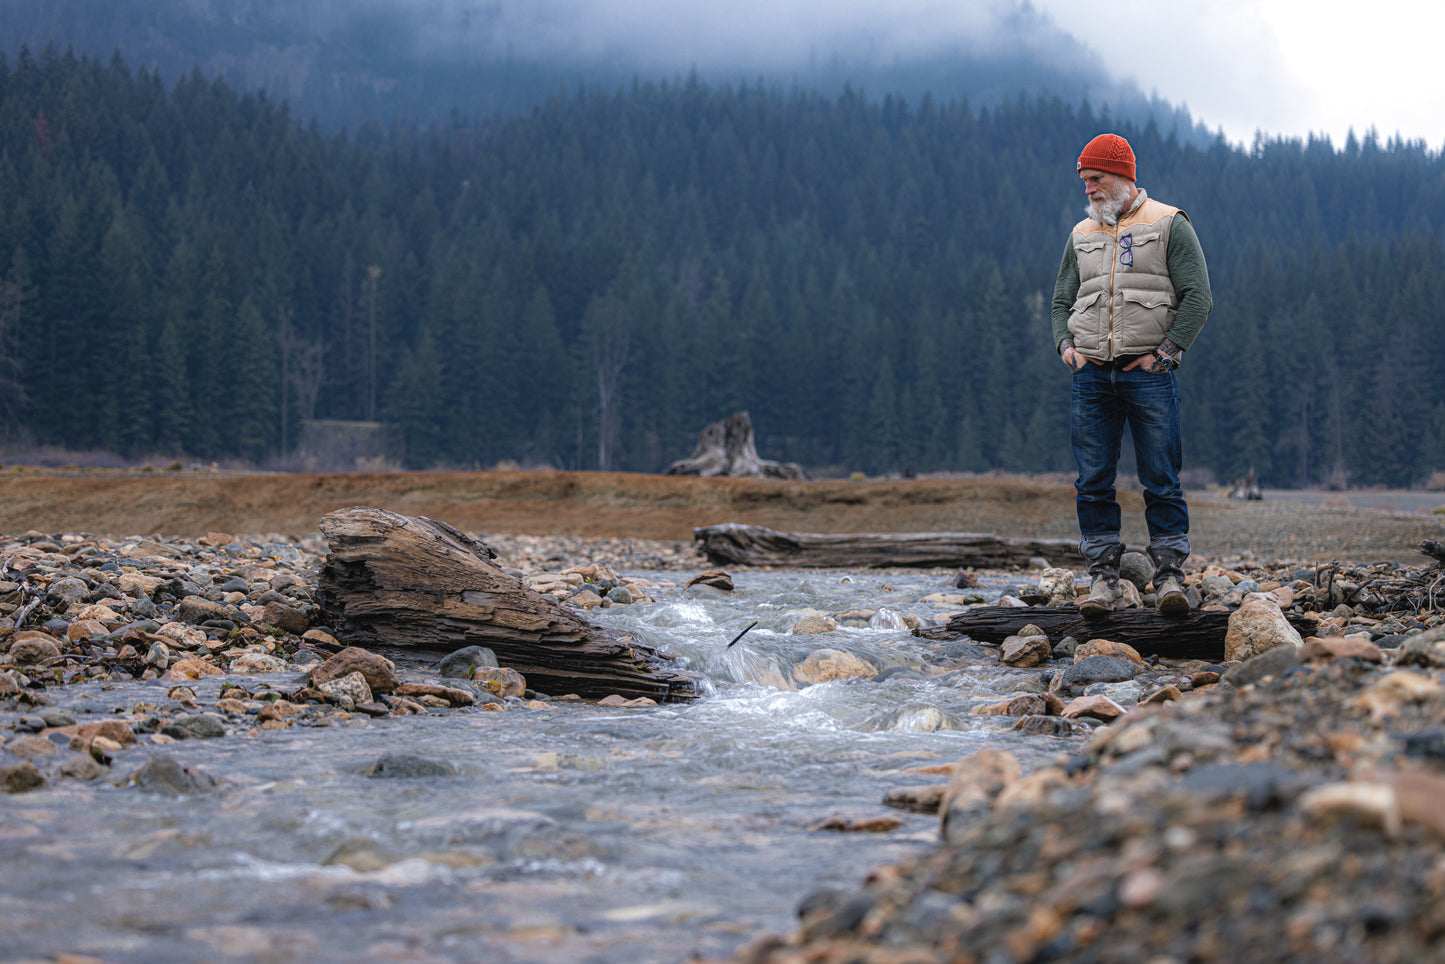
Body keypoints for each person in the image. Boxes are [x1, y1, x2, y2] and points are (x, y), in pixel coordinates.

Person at [1051, 133, 1212, 617]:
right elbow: (1062, 300)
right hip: (1091, 377)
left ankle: (1168, 578)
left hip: (1149, 374)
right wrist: (1065, 345)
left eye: (1095, 179)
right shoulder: (1081, 233)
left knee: (1161, 478)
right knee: (1093, 480)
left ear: (1122, 176)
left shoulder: (1169, 223)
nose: (1089, 189)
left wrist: (1166, 355)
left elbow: (1198, 297)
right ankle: (1103, 581)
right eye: (1084, 181)